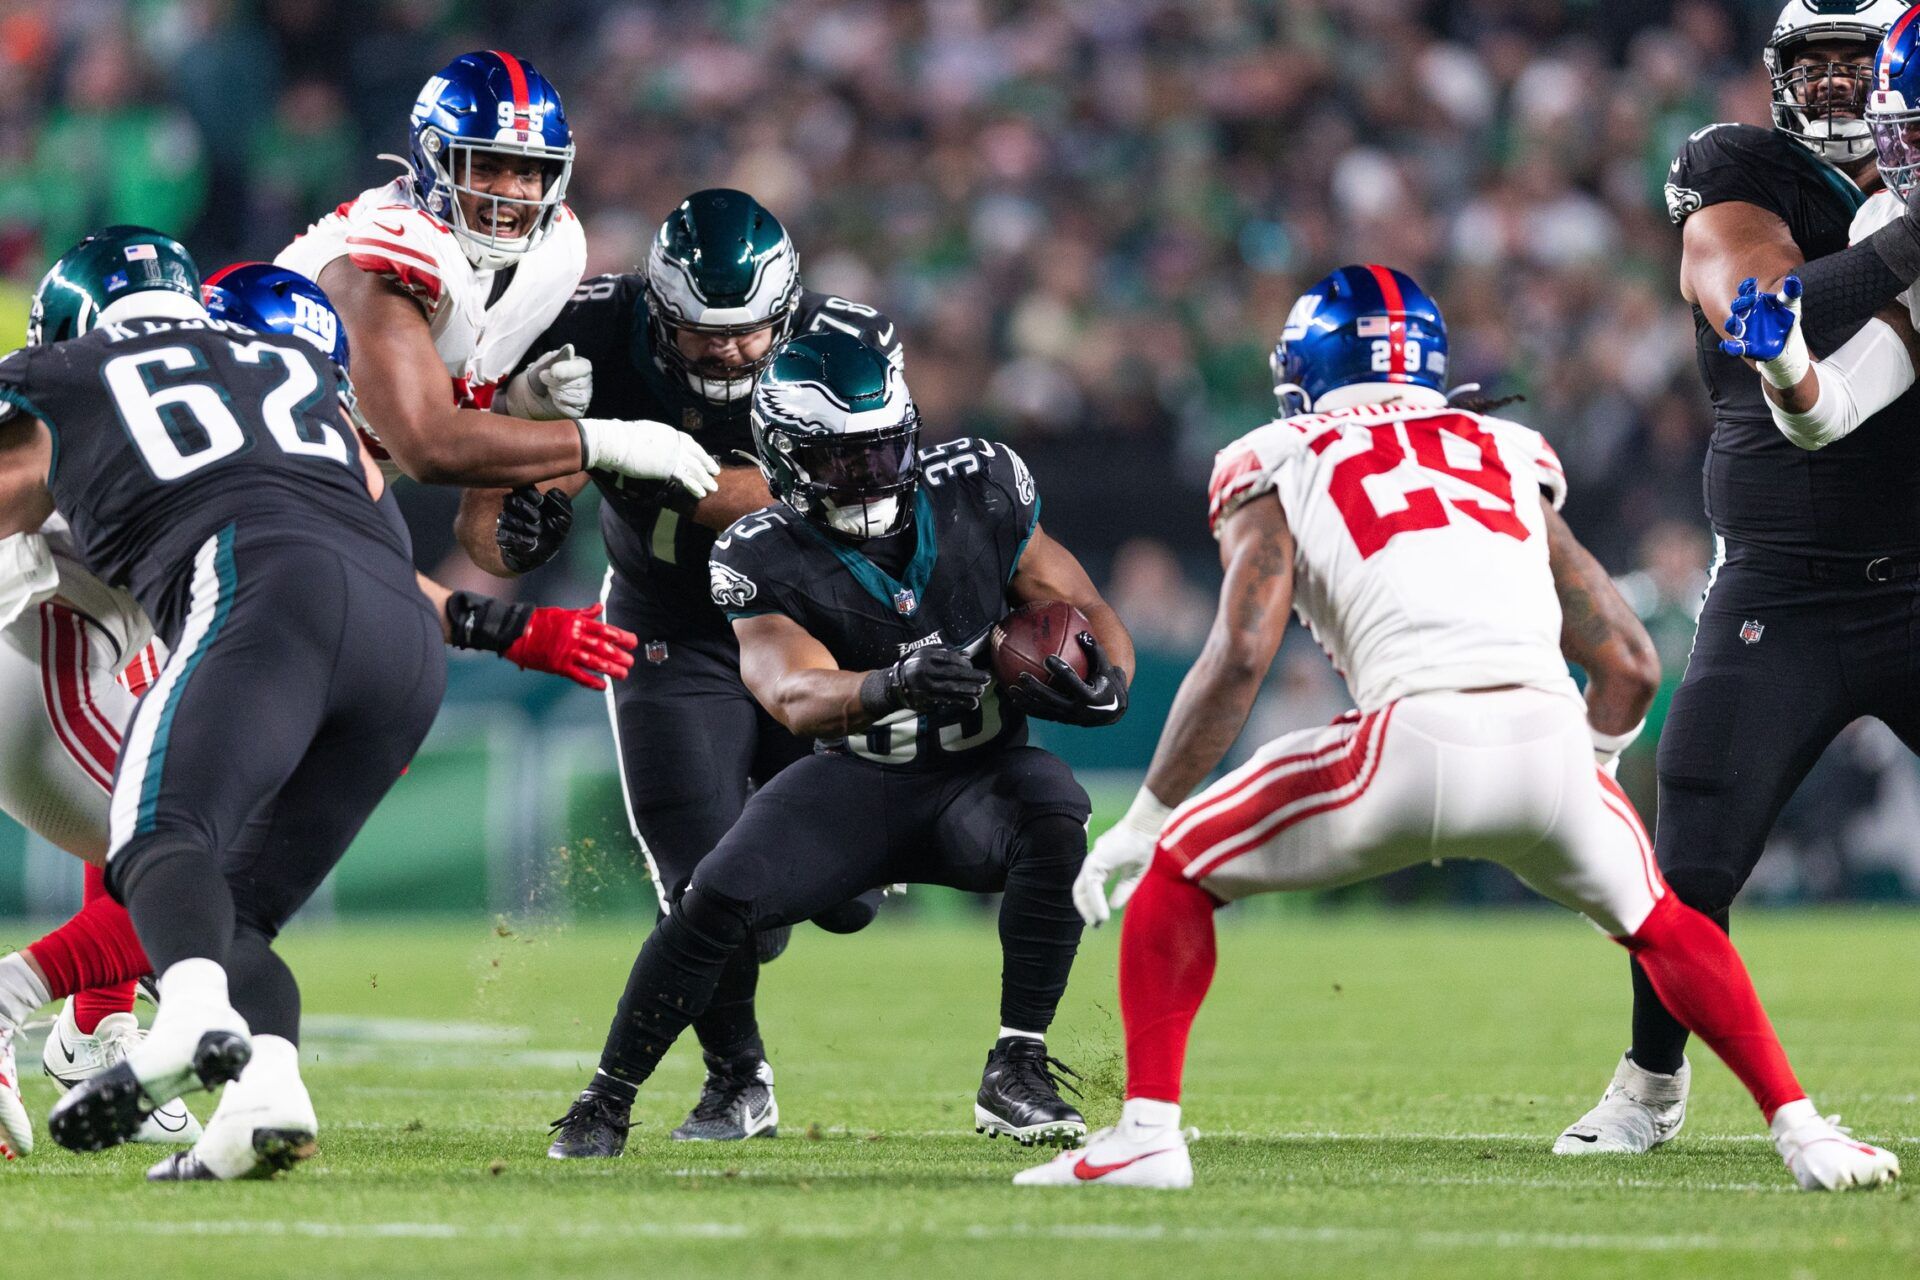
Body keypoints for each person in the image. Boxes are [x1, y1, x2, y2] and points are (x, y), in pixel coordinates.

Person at [1016, 265, 1900, 1193]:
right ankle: (1804, 1133)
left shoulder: (1276, 451)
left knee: (1178, 871)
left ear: (1308, 366)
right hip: (1548, 738)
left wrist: (1147, 814)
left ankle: (1149, 1137)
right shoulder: (1506, 445)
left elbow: (1240, 654)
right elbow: (1631, 663)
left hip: (1402, 743)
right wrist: (1581, 779)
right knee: (1664, 924)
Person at [0, 257, 639, 1164]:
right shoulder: (304, 386)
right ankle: (262, 1098)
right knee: (231, 912)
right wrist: (504, 625)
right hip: (396, 653)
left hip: (250, 598)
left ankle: (178, 1019)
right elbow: (367, 548)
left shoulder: (69, 374)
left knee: (160, 841)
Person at [545, 331, 1134, 1157]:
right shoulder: (759, 549)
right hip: (859, 785)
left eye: (885, 451)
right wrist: (890, 685)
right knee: (712, 897)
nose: (870, 477)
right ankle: (607, 1098)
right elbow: (791, 692)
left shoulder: (981, 487)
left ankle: (1018, 1066)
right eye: (841, 461)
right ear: (783, 461)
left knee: (1056, 810)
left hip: (976, 783)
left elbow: (1083, 605)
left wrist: (1110, 680)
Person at [456, 190, 900, 1146]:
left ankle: (816, 881)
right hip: (668, 623)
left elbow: (811, 496)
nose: (730, 354)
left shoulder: (846, 339)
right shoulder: (584, 328)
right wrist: (521, 499)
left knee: (845, 898)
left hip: (803, 620)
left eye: (748, 334)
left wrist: (619, 453)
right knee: (702, 885)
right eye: (703, 335)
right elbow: (482, 532)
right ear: (657, 312)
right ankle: (738, 1078)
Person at [1560, 0, 1920, 1155]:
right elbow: (1766, 308)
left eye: (1850, 66)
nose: (1825, 88)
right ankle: (1649, 1086)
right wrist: (1911, 237)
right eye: (1806, 64)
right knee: (1694, 852)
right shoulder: (1738, 167)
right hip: (1780, 588)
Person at [275, 50, 719, 499]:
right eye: (484, 168)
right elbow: (429, 445)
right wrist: (606, 443)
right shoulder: (387, 255)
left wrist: (514, 402)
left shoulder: (555, 251)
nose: (508, 192)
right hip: (258, 473)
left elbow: (439, 401)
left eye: (527, 171)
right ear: (436, 162)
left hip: (335, 488)